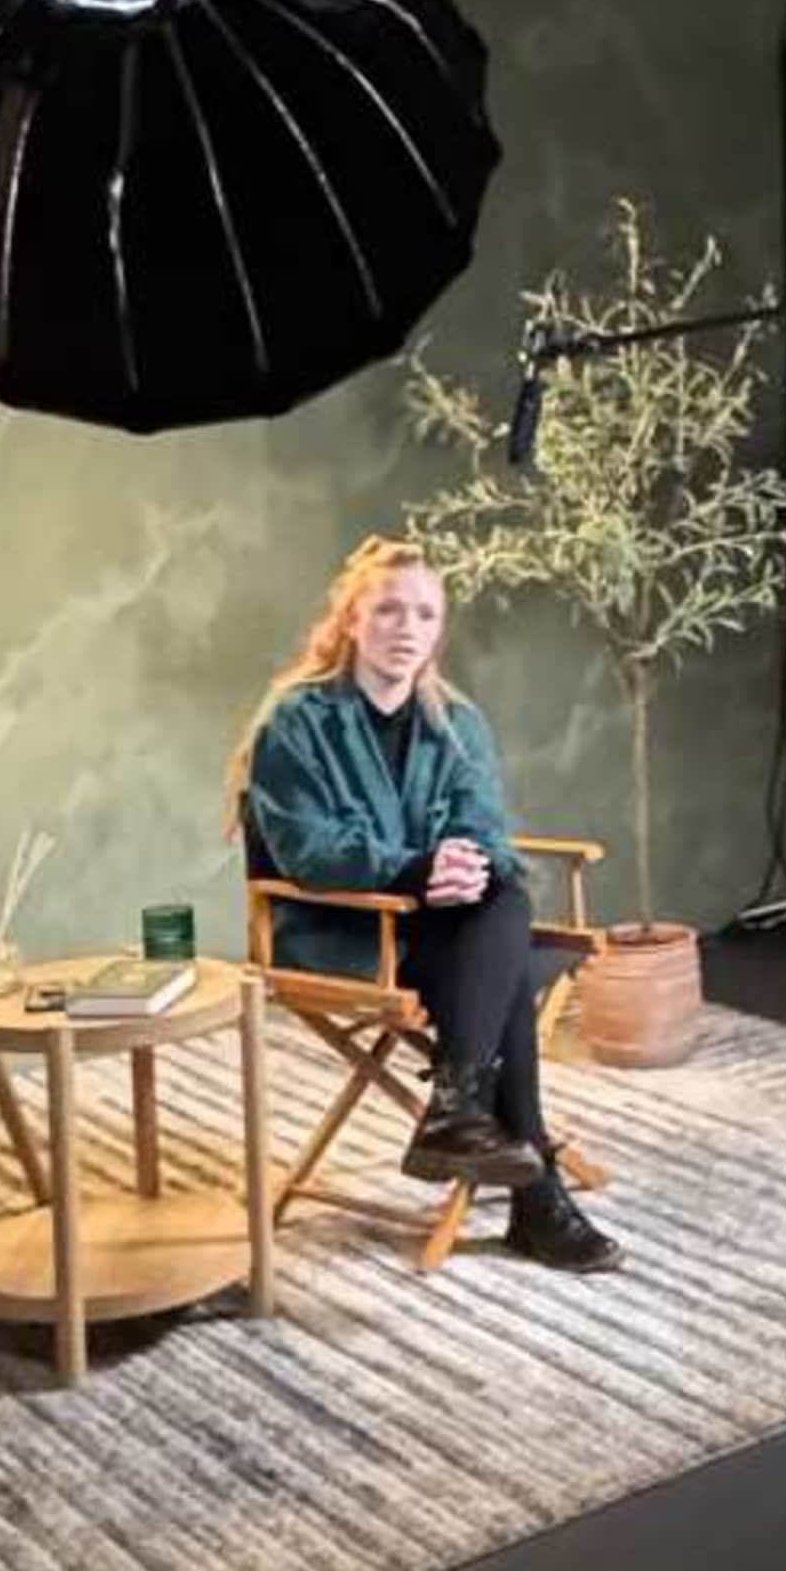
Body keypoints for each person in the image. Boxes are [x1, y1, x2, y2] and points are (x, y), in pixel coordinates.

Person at [232, 540, 621, 1274]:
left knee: (499, 894)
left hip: (441, 922)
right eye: (386, 609)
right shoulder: (295, 722)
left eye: (424, 613)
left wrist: (461, 864)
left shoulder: (457, 722)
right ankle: (533, 1194)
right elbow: (306, 849)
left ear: (438, 630)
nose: (405, 627)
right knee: (503, 969)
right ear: (350, 620)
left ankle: (458, 1110)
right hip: (342, 930)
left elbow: (479, 824)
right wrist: (414, 869)